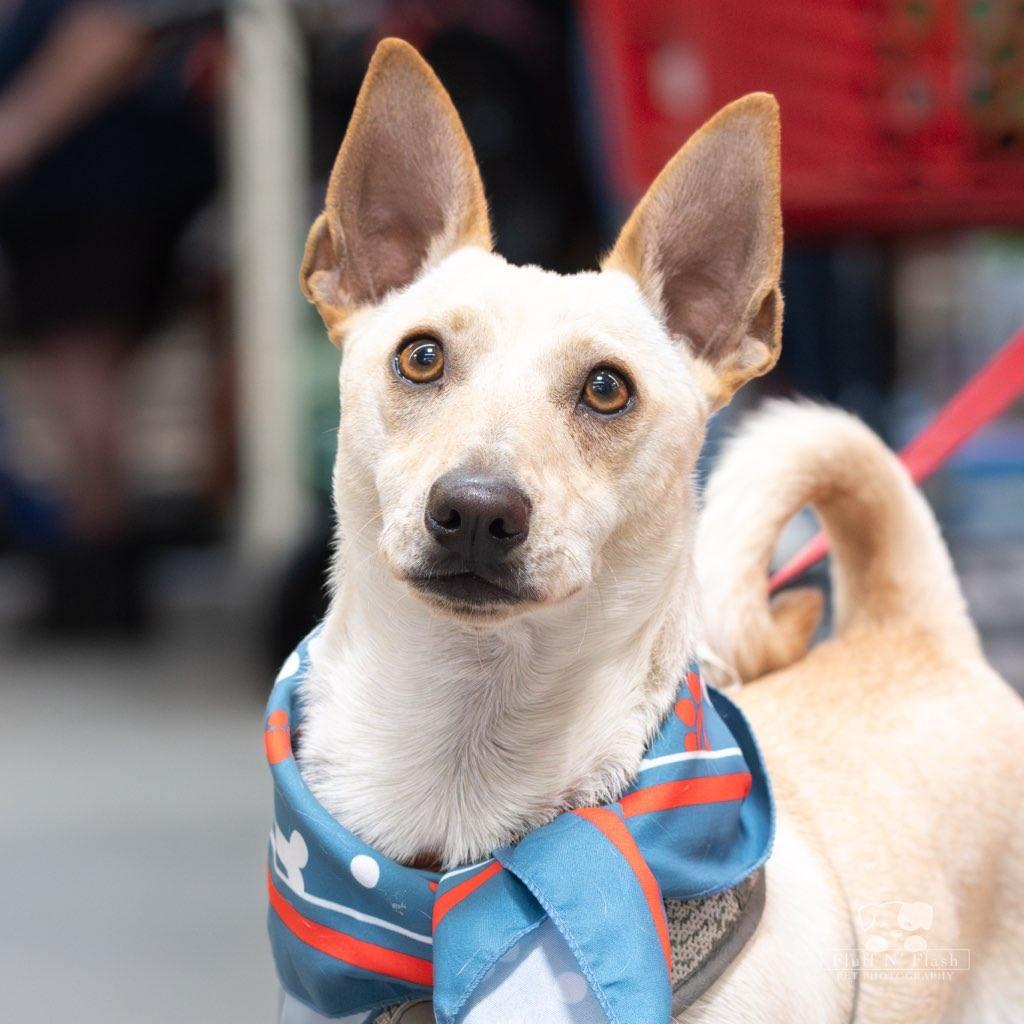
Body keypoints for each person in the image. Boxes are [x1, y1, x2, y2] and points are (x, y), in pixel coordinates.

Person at [0, 0, 222, 632]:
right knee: (88, 382)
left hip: (83, 187)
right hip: (96, 181)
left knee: (81, 379)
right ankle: (98, 561)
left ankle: (94, 576)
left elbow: (116, 26)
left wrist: (15, 130)